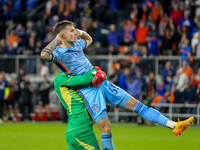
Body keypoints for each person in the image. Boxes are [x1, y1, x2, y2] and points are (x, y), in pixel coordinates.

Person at [41, 20, 194, 149]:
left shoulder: (77, 44)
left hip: (102, 83)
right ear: (62, 35)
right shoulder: (59, 53)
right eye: (72, 31)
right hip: (88, 91)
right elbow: (44, 55)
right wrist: (56, 39)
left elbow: (90, 39)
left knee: (139, 106)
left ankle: (174, 125)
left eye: (75, 30)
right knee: (106, 128)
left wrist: (79, 32)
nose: (75, 33)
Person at [54, 70, 102, 150]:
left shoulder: (69, 77)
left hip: (74, 128)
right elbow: (85, 79)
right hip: (82, 128)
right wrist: (97, 72)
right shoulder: (60, 78)